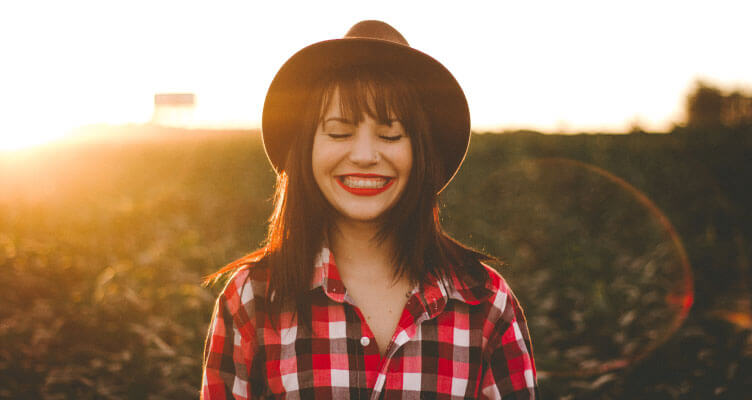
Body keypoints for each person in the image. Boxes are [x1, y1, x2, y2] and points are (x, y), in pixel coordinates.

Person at [201, 20, 538, 399]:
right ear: (307, 147)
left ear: (421, 152)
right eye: (339, 132)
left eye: (390, 134)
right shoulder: (253, 299)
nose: (363, 156)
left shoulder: (485, 301)